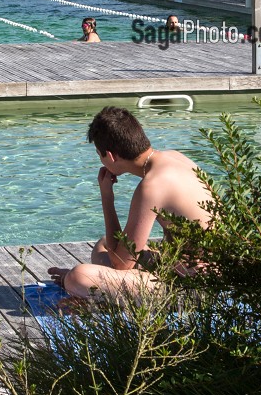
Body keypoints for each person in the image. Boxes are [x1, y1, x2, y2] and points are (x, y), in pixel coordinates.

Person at [48, 107, 213, 300]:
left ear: (110, 156)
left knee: (78, 277)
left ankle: (97, 299)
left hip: (195, 288)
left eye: (99, 155)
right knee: (104, 245)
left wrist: (107, 198)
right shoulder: (174, 157)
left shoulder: (152, 186)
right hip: (210, 270)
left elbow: (120, 264)